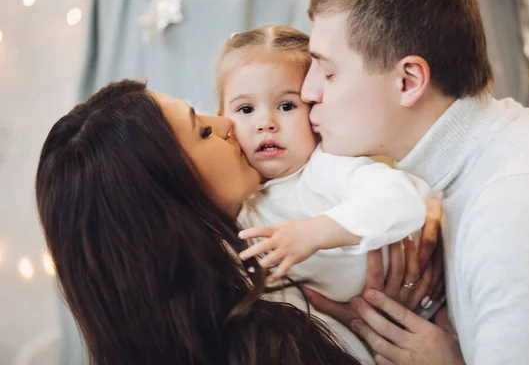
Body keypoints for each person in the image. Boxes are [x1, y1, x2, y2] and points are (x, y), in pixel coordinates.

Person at [300, 0, 529, 364]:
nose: (308, 91)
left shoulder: (520, 200)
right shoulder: (478, 168)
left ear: (408, 81)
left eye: (329, 71)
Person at [35, 79, 441, 365]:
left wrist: (370, 319)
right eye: (203, 130)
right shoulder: (254, 338)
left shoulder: (251, 267)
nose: (229, 125)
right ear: (165, 192)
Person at [216, 25, 440, 310]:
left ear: (315, 106)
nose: (266, 123)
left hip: (426, 302)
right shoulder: (240, 204)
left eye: (286, 106)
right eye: (246, 110)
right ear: (223, 120)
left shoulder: (328, 167)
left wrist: (315, 232)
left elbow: (404, 201)